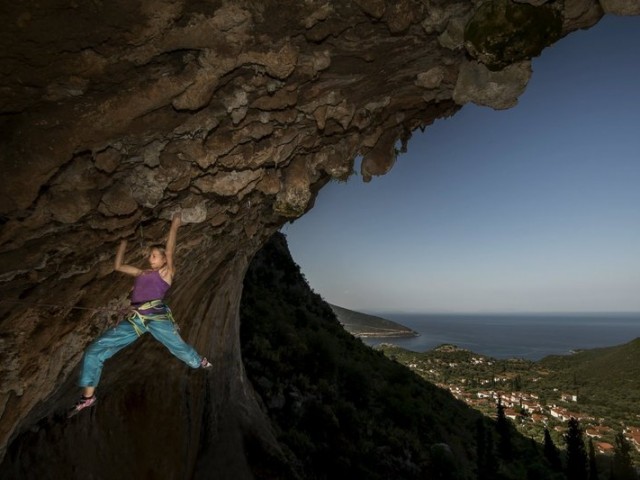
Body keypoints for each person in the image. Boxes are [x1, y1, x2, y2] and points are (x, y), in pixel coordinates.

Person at [68, 213, 212, 417]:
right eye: (150, 255)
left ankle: (199, 362)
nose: (149, 258)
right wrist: (123, 243)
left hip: (157, 318)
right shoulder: (142, 274)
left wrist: (174, 225)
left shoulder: (166, 273)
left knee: (177, 347)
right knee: (94, 350)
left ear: (163, 260)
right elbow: (118, 266)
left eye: (154, 255)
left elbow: (170, 251)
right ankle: (88, 397)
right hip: (136, 321)